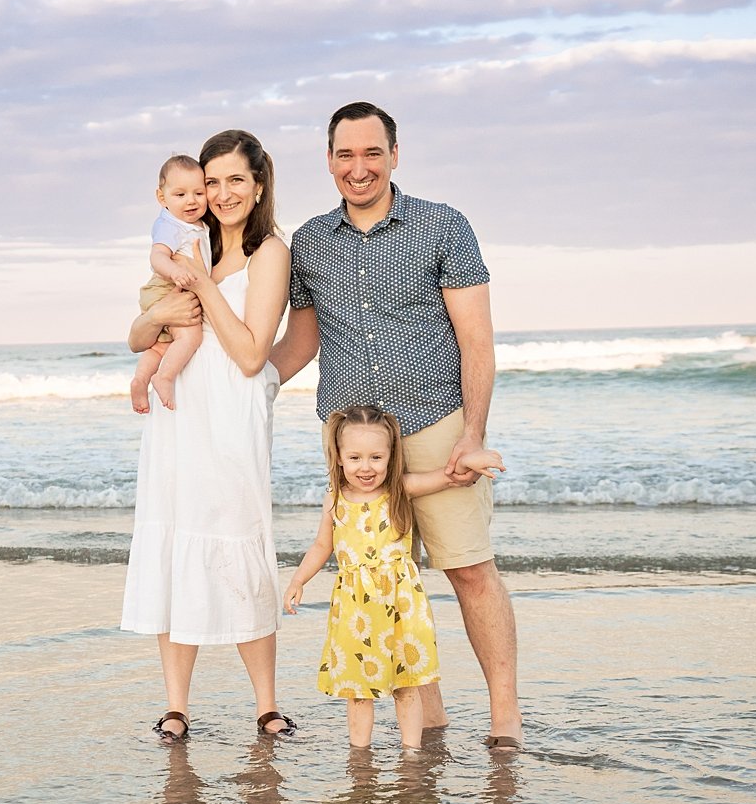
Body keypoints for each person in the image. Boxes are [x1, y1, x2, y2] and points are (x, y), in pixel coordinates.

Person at [270, 101, 524, 751]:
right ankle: (429, 715)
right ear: (329, 160)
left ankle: (504, 716)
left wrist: (472, 434)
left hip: (436, 419)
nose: (359, 168)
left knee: (469, 569)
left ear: (395, 154)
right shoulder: (310, 243)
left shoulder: (444, 227)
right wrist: (239, 388)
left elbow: (478, 342)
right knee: (380, 577)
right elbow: (299, 343)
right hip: (353, 442)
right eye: (346, 155)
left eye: (372, 152)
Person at [121, 129, 296, 741]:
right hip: (177, 413)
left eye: (234, 181)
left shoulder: (270, 252)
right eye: (212, 181)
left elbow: (250, 353)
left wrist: (200, 286)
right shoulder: (186, 243)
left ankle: (266, 704)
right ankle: (176, 706)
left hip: (231, 414)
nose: (221, 193)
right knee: (176, 545)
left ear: (259, 184)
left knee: (238, 538)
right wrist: (156, 314)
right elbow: (140, 337)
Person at [283, 405, 503, 750]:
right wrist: (298, 581)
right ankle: (360, 755)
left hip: (401, 604)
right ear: (339, 458)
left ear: (390, 457)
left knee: (407, 684)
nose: (366, 467)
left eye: (376, 457)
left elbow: (446, 477)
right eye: (355, 457)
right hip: (356, 610)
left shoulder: (399, 490)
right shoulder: (335, 499)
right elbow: (322, 545)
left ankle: (411, 751)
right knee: (358, 691)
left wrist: (473, 459)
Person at [130, 155, 211, 413]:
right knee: (190, 336)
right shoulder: (170, 225)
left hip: (169, 288)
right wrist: (175, 272)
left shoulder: (194, 224)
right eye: (180, 194)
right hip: (166, 286)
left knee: (161, 345)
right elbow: (157, 257)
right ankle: (163, 378)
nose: (191, 200)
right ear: (162, 198)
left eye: (199, 192)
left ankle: (140, 380)